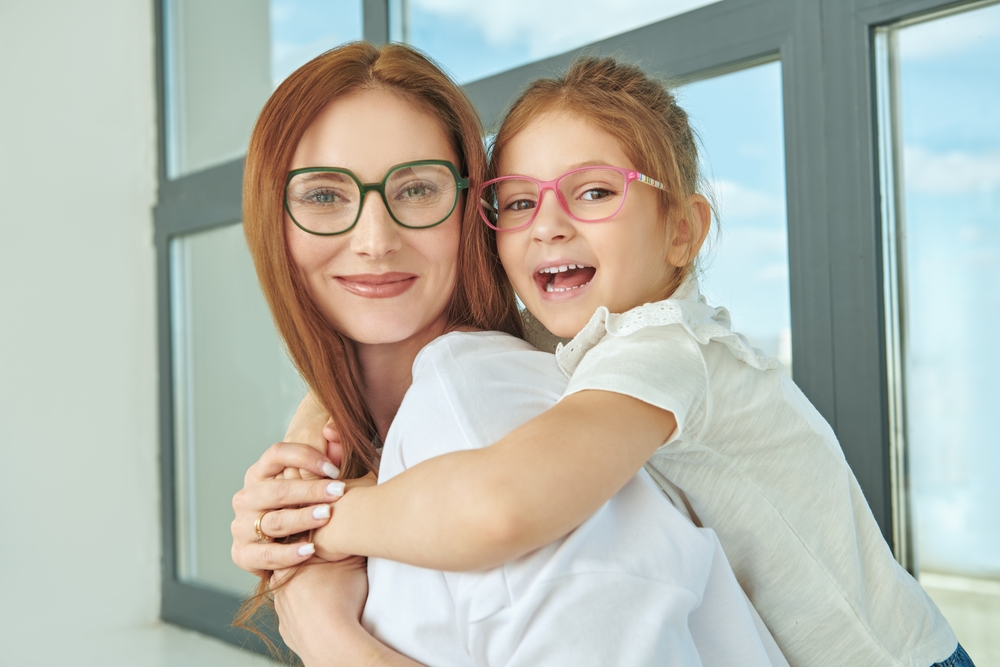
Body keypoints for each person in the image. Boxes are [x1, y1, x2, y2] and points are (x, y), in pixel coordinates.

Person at [272, 58, 972, 667]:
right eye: (519, 202)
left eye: (595, 192)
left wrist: (321, 522)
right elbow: (414, 343)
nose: (549, 225)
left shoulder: (664, 348)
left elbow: (503, 505)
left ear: (682, 230)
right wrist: (316, 420)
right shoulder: (583, 334)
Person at [230, 42, 785, 666]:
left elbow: (501, 506)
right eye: (323, 196)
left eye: (417, 189)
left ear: (473, 211)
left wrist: (329, 630)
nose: (375, 240)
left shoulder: (478, 403)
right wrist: (306, 466)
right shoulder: (463, 389)